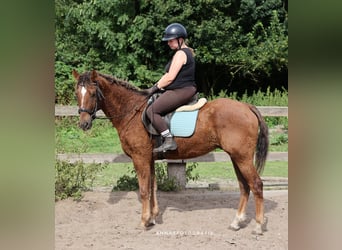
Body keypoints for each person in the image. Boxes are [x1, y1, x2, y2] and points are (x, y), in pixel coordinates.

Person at [145, 23, 197, 153]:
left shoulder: (180, 54)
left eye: (171, 40)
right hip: (182, 89)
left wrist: (154, 89)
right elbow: (166, 75)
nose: (168, 43)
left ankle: (168, 140)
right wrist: (154, 87)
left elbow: (170, 78)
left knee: (151, 111)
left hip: (181, 90)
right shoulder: (182, 53)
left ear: (180, 40)